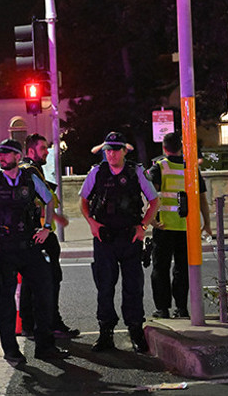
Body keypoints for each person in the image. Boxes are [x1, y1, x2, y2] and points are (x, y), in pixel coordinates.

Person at [0, 139, 69, 365]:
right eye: (0, 155)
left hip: (29, 246)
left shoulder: (30, 178)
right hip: (5, 249)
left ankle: (45, 347)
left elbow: (49, 201)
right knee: (6, 300)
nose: (1, 158)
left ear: (18, 156)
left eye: (6, 154)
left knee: (45, 292)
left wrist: (46, 229)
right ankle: (11, 351)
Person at [80, 131, 159, 353]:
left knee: (133, 287)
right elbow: (83, 201)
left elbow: (154, 201)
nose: (111, 154)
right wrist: (91, 223)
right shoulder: (97, 172)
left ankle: (135, 330)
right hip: (104, 238)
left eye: (116, 149)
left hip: (129, 237)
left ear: (124, 150)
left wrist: (143, 226)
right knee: (104, 286)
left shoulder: (136, 172)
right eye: (108, 150)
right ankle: (106, 333)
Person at [17, 133, 79, 340]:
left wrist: (55, 219)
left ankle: (29, 325)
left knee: (29, 281)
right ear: (32, 150)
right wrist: (51, 223)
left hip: (29, 236)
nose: (47, 152)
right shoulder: (31, 172)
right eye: (43, 148)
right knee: (50, 280)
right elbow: (37, 205)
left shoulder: (25, 171)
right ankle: (52, 324)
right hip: (40, 236)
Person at [145, 132, 211, 319]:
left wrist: (149, 220)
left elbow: (150, 196)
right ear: (181, 147)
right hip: (187, 227)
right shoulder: (191, 168)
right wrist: (206, 223)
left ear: (164, 148)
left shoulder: (159, 167)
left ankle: (162, 309)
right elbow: (202, 199)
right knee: (182, 269)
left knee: (160, 269)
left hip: (164, 226)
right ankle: (181, 308)